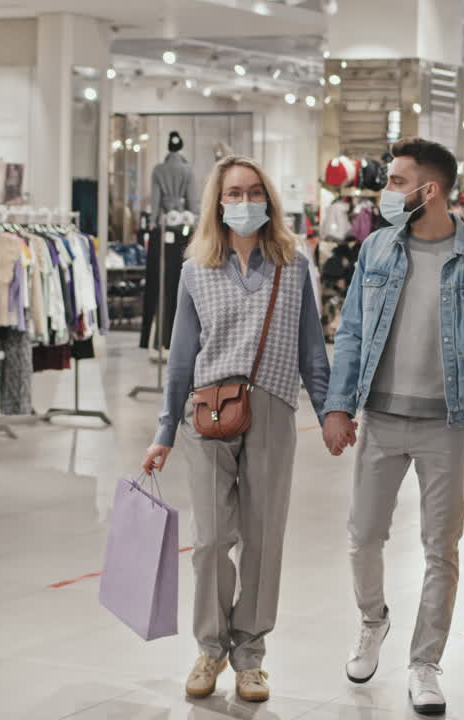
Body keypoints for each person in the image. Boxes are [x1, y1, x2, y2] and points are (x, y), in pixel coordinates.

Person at [322, 137, 464, 716]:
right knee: (363, 536)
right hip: (380, 418)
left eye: (397, 182)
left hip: (447, 424)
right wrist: (338, 406)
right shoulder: (377, 248)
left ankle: (425, 663)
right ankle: (371, 620)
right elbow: (352, 331)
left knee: (441, 549)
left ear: (429, 191)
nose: (387, 192)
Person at [140, 155, 331, 704]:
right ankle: (210, 647)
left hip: (271, 407)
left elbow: (311, 348)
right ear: (217, 203)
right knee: (212, 540)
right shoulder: (196, 266)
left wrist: (328, 412)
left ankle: (250, 655)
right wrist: (164, 432)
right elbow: (180, 356)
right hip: (208, 412)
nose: (243, 202)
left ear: (267, 200)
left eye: (253, 192)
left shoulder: (292, 264)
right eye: (233, 193)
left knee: (263, 538)